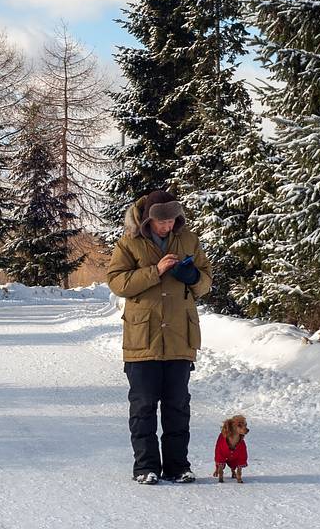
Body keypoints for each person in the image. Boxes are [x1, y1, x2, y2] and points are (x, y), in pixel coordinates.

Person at [107, 189, 212, 485]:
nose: (167, 226)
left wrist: (192, 278)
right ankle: (145, 467)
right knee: (143, 407)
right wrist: (156, 270)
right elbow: (117, 283)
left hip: (180, 337)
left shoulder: (189, 239)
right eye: (162, 222)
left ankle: (178, 467)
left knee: (178, 406)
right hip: (143, 339)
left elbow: (206, 280)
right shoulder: (129, 242)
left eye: (172, 221)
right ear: (149, 220)